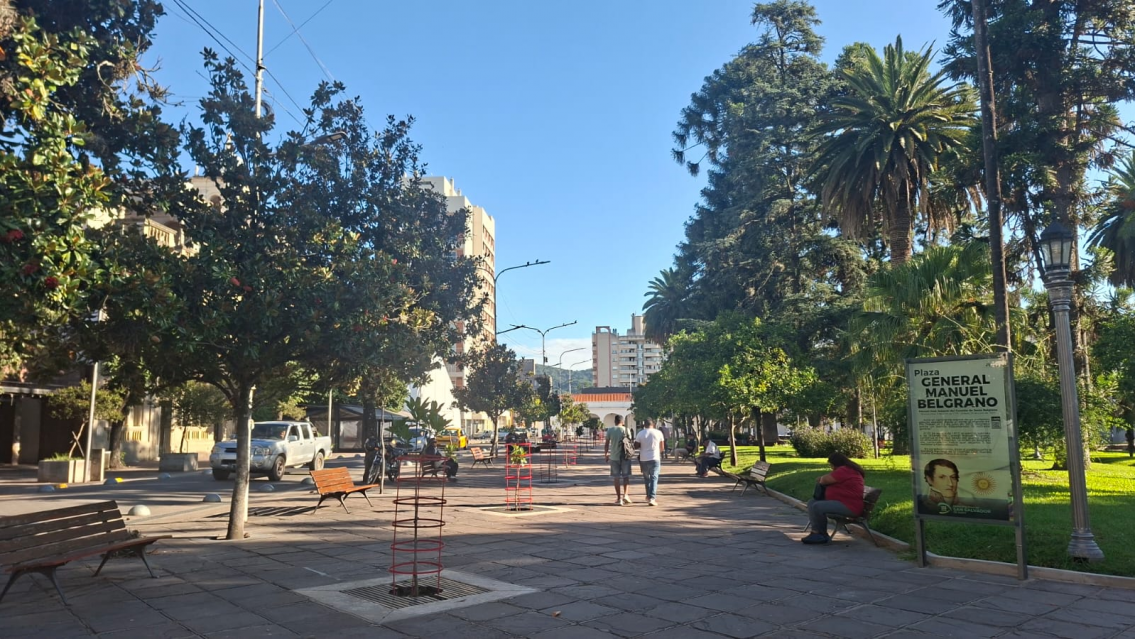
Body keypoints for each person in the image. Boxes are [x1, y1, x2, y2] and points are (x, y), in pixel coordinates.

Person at [802, 453, 865, 545]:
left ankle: (820, 534)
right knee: (812, 502)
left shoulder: (845, 470)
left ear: (834, 463)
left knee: (817, 506)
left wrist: (821, 478)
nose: (831, 468)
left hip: (850, 506)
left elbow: (824, 480)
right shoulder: (846, 470)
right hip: (843, 502)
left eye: (831, 465)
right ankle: (816, 532)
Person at [634, 418, 665, 506]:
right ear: (653, 424)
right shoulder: (659, 433)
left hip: (643, 459)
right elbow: (662, 448)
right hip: (655, 458)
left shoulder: (640, 433)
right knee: (654, 478)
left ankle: (648, 496)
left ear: (644, 425)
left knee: (647, 478)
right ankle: (652, 498)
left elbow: (636, 446)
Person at [604, 415, 634, 505]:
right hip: (625, 456)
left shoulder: (610, 430)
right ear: (622, 421)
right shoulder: (626, 430)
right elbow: (630, 442)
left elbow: (606, 444)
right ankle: (625, 495)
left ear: (615, 421)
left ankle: (618, 498)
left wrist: (606, 454)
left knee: (616, 477)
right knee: (626, 476)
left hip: (614, 457)